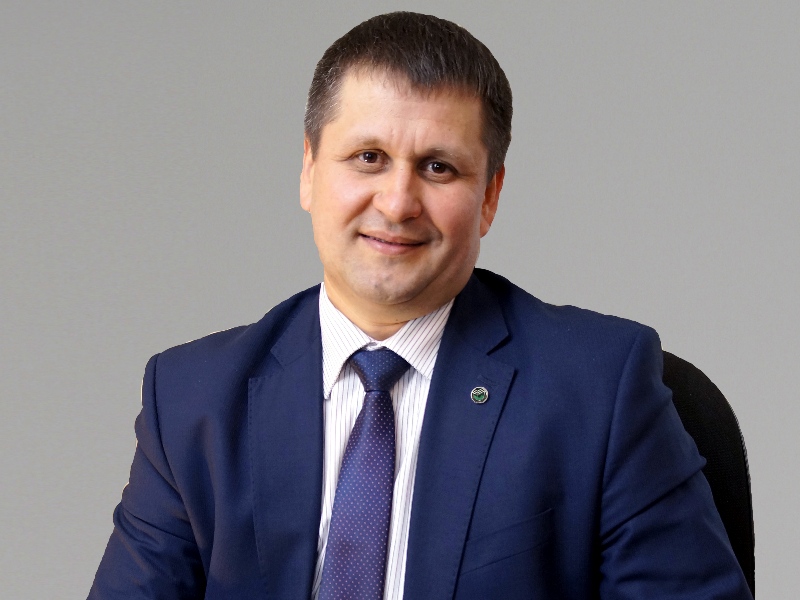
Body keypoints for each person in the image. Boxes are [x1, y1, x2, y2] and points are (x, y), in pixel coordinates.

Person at [89, 12, 753, 600]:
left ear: (489, 196)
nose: (398, 202)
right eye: (368, 157)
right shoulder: (194, 401)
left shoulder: (599, 388)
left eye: (438, 167)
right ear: (309, 170)